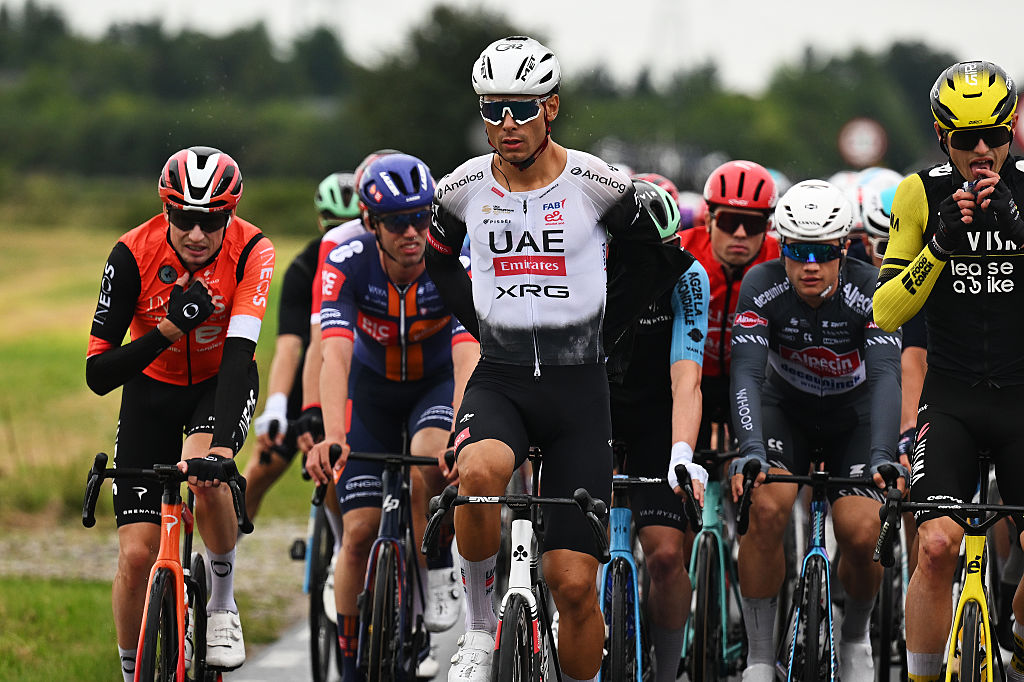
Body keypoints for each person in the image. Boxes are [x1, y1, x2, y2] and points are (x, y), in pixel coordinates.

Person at [425, 35, 689, 682]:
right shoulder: (462, 185)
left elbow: (657, 250)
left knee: (572, 586)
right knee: (478, 475)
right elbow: (435, 255)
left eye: (520, 108)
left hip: (578, 390)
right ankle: (481, 630)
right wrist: (478, 322)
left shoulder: (594, 181)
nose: (506, 125)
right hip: (502, 380)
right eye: (492, 109)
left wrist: (608, 328)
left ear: (552, 107)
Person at [86, 146, 275, 680]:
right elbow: (99, 375)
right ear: (166, 212)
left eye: (211, 220)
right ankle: (132, 672)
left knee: (207, 478)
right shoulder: (130, 254)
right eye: (184, 219)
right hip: (149, 392)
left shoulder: (252, 250)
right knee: (136, 556)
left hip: (218, 384)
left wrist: (219, 449)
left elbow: (240, 354)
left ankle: (220, 605)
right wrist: (168, 330)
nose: (196, 233)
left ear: (229, 215)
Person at [872, 60, 1024, 682]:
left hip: (1021, 398)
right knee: (935, 547)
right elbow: (887, 311)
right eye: (966, 139)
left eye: (994, 134)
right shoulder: (919, 192)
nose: (982, 151)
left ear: (1012, 129)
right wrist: (937, 247)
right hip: (953, 399)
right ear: (942, 136)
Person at [304, 153, 479, 682]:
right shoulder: (343, 253)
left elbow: (468, 353)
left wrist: (460, 430)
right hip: (371, 389)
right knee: (357, 533)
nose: (413, 232)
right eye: (398, 222)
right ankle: (355, 658)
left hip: (434, 383)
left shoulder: (455, 255)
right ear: (370, 222)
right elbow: (332, 351)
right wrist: (332, 435)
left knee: (431, 462)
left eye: (422, 218)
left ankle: (438, 570)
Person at [727, 180, 903, 682]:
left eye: (823, 253)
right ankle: (760, 657)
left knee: (862, 530)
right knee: (762, 508)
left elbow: (887, 375)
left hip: (855, 416)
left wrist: (882, 454)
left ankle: (854, 638)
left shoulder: (871, 287)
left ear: (843, 250)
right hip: (788, 412)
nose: (810, 265)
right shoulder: (761, 284)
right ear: (780, 247)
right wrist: (751, 449)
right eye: (798, 251)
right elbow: (746, 372)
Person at [608, 179, 710, 682]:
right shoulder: (589, 271)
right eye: (654, 252)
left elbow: (686, 379)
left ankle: (668, 672)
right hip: (593, 410)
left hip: (657, 415)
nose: (665, 260)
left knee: (667, 555)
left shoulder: (687, 276)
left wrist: (682, 453)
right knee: (570, 551)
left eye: (672, 247)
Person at [244, 171, 362, 520]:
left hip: (359, 372)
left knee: (342, 471)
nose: (342, 236)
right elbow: (290, 348)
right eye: (333, 226)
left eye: (352, 224)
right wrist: (278, 408)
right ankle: (223, 557)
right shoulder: (303, 269)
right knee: (261, 469)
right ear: (319, 222)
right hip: (314, 370)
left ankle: (345, 548)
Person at [678, 160, 780, 449]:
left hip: (754, 384)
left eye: (752, 223)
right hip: (689, 380)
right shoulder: (681, 253)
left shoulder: (781, 261)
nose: (739, 233)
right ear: (708, 220)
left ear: (768, 227)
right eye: (728, 221)